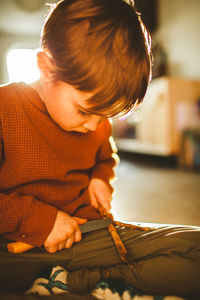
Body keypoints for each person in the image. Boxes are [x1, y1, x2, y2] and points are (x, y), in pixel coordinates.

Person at [0, 0, 199, 298]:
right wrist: (38, 221)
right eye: (84, 111)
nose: (95, 127)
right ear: (45, 68)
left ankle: (75, 283)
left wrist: (100, 179)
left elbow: (105, 159)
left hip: (88, 237)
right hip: (21, 248)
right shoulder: (5, 109)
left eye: (105, 115)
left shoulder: (96, 124)